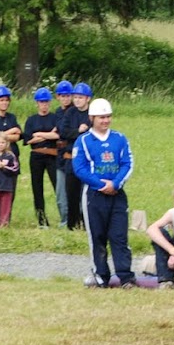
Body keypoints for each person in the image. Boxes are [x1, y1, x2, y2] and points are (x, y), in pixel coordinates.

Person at [71, 98, 136, 289]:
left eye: (108, 117)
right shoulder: (83, 141)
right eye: (101, 117)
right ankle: (100, 275)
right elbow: (79, 168)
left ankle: (125, 277)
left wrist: (115, 184)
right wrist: (100, 184)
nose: (105, 121)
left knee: (119, 237)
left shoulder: (120, 138)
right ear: (92, 118)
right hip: (94, 196)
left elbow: (128, 163)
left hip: (117, 194)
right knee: (97, 237)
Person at [22, 87, 60, 226]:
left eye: (46, 102)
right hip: (36, 155)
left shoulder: (55, 118)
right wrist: (47, 135)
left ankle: (64, 215)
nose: (44, 105)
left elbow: (57, 136)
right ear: (37, 103)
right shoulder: (31, 120)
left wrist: (39, 134)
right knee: (37, 187)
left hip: (52, 155)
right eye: (41, 102)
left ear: (50, 102)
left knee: (58, 185)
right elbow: (28, 140)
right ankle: (41, 219)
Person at [60, 82, 92, 230]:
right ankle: (71, 225)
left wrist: (80, 133)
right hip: (72, 158)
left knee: (86, 194)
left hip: (88, 160)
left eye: (80, 97)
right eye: (75, 97)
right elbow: (63, 132)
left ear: (88, 99)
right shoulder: (70, 113)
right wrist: (78, 131)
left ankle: (87, 224)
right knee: (71, 194)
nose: (77, 100)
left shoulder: (92, 115)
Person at [53, 80, 73, 227]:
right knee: (60, 194)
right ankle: (64, 220)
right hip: (60, 154)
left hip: (71, 153)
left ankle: (73, 220)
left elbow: (61, 132)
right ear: (57, 97)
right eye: (63, 95)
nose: (66, 98)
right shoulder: (58, 112)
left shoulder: (74, 111)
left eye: (68, 95)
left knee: (73, 191)